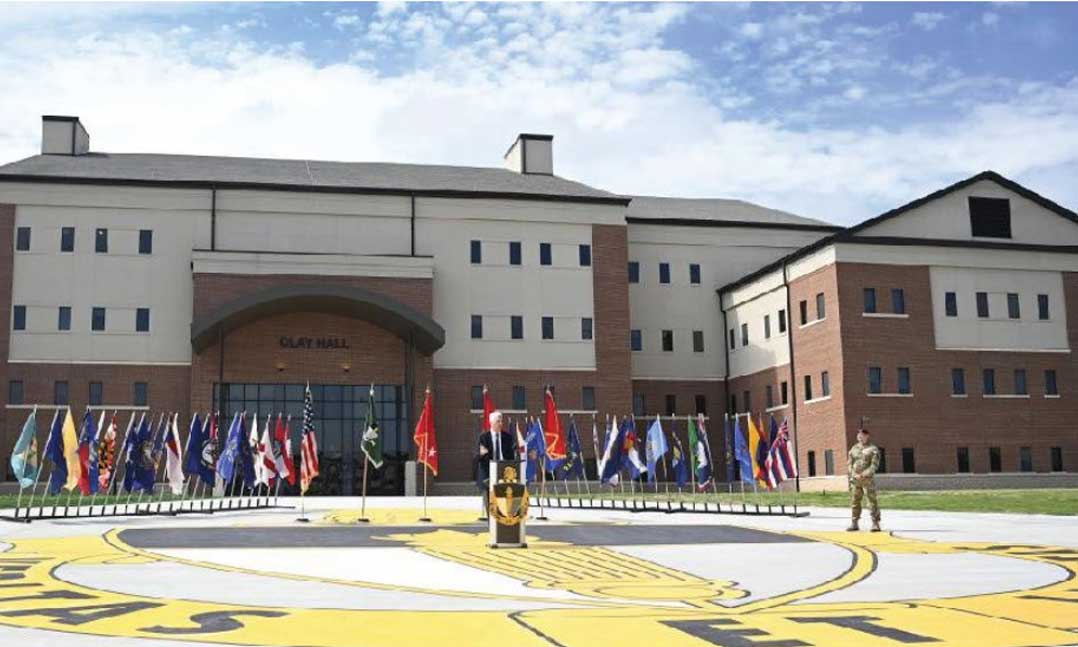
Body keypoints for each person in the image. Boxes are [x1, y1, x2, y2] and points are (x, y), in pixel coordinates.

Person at [475, 410, 517, 518]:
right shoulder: (483, 438)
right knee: (491, 504)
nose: (501, 423)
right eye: (498, 421)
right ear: (491, 423)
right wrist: (481, 453)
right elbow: (477, 456)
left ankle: (502, 524)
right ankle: (492, 526)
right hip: (488, 474)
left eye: (501, 421)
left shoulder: (507, 437)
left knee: (503, 503)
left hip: (503, 473)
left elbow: (511, 457)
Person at [847, 426, 881, 532]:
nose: (860, 437)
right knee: (855, 501)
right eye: (858, 435)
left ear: (867, 436)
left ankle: (875, 523)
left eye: (862, 435)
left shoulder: (873, 449)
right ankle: (854, 523)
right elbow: (849, 464)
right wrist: (853, 474)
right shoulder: (854, 449)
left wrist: (863, 474)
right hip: (855, 480)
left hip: (867, 480)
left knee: (871, 501)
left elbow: (874, 465)